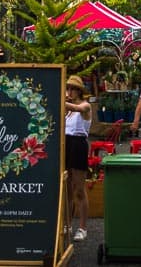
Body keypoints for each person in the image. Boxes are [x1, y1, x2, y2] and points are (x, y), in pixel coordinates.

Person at [64, 75, 92, 242]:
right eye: (67, 89)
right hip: (66, 144)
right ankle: (67, 223)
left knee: (79, 189)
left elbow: (79, 109)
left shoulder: (85, 105)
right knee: (66, 187)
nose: (69, 92)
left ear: (79, 91)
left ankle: (83, 227)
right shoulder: (67, 109)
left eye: (72, 89)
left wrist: (59, 99)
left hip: (79, 144)